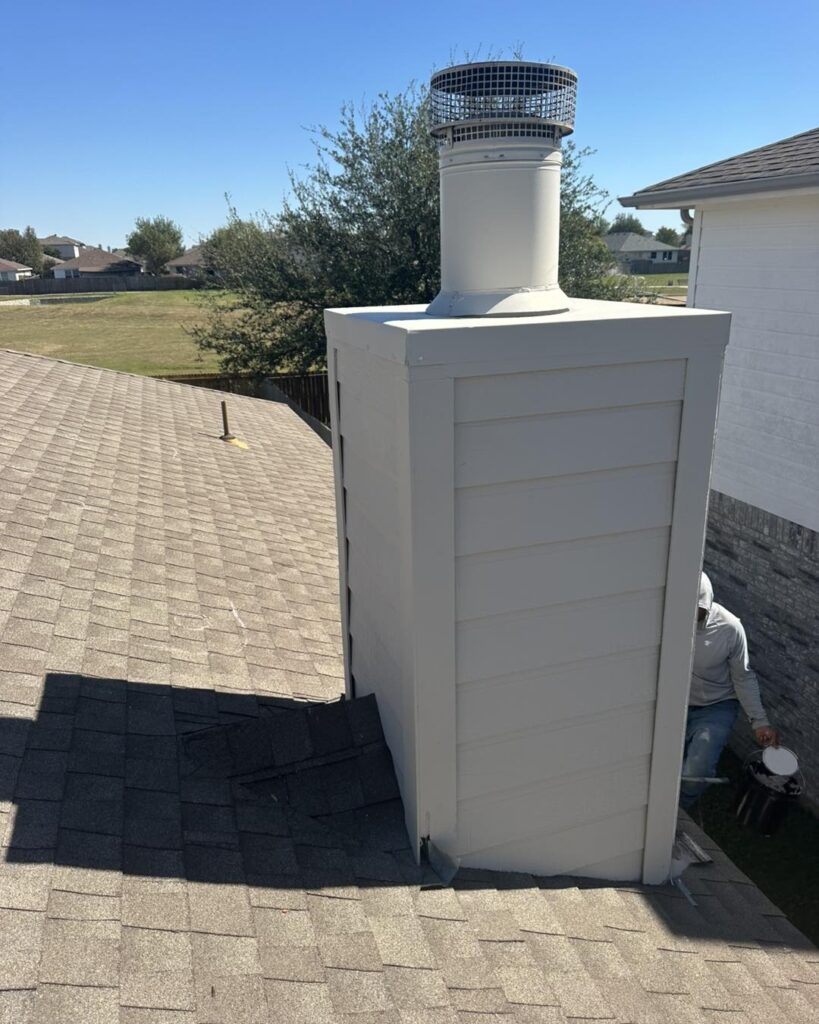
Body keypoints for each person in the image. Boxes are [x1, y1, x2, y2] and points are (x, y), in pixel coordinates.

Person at [679, 572, 778, 810]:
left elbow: (743, 677)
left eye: (699, 610)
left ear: (708, 602)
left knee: (696, 769)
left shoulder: (730, 629)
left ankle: (680, 808)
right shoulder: (669, 617)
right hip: (676, 700)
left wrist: (760, 722)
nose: (692, 616)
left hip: (716, 706)